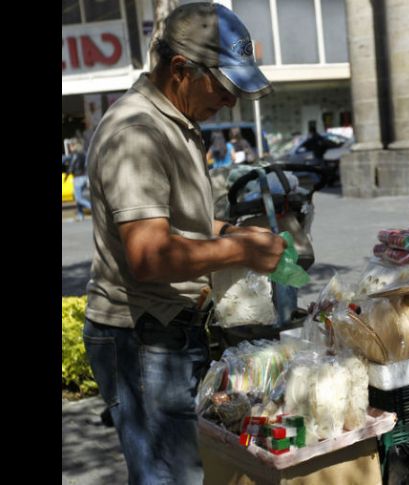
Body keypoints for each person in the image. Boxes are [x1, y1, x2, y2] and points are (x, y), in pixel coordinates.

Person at [81, 3, 283, 484]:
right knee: (172, 477)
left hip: (170, 330)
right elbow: (149, 255)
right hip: (143, 338)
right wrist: (244, 252)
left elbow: (179, 226)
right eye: (225, 87)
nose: (231, 103)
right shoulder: (138, 134)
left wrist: (231, 234)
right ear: (180, 70)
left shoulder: (178, 123)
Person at [63, 138, 91, 221]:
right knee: (79, 196)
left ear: (73, 146)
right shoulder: (83, 154)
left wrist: (66, 176)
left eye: (70, 146)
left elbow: (71, 167)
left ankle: (92, 208)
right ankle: (80, 215)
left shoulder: (75, 155)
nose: (69, 148)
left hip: (78, 178)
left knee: (78, 198)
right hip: (84, 177)